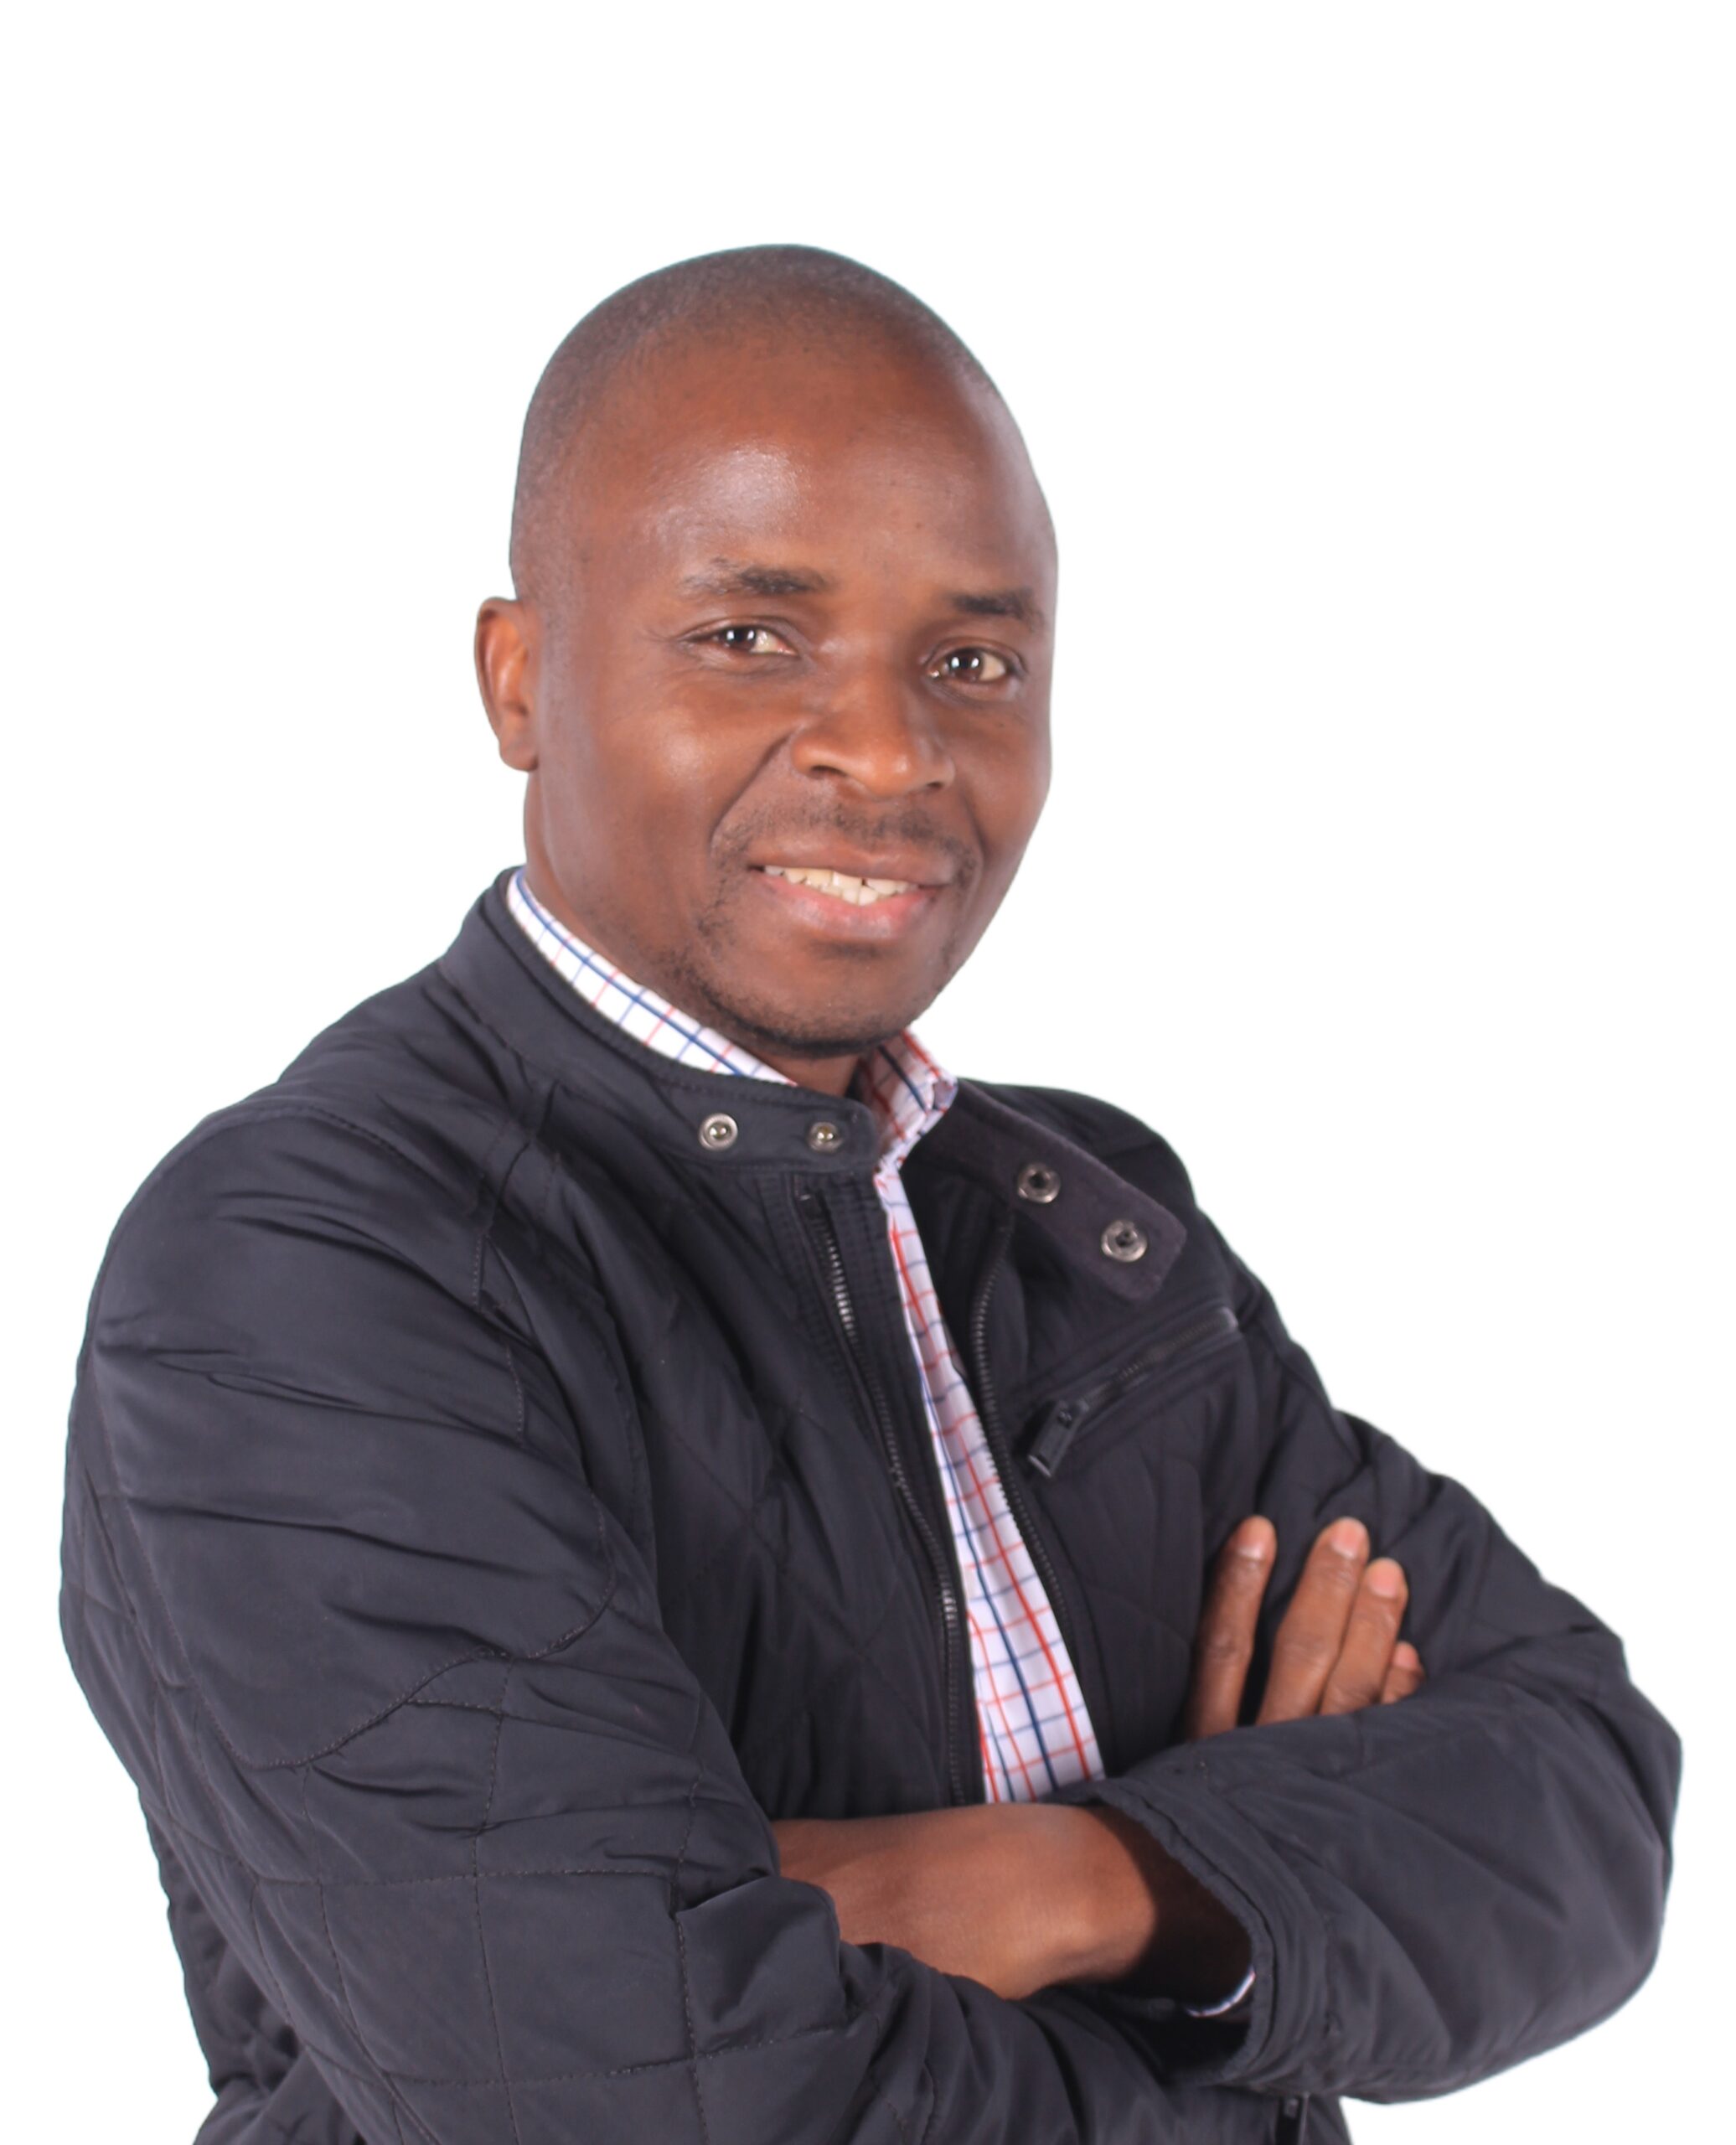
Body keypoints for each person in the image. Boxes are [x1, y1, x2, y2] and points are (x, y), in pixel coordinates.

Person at [59, 244, 1679, 2145]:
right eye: (752, 636)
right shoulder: (302, 1273)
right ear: (518, 678)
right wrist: (1265, 1927)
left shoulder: (1083, 1225)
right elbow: (656, 2106)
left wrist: (1079, 1880)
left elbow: (1584, 1794)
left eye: (972, 662)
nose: (892, 750)